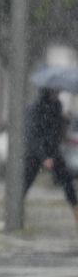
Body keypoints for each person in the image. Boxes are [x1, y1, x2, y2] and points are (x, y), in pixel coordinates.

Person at [24, 87, 78, 227]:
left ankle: (75, 209)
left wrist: (65, 120)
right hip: (36, 153)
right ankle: (16, 211)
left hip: (53, 151)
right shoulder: (36, 108)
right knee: (25, 182)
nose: (57, 93)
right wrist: (43, 157)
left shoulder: (57, 105)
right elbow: (34, 135)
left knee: (67, 181)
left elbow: (56, 131)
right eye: (54, 91)